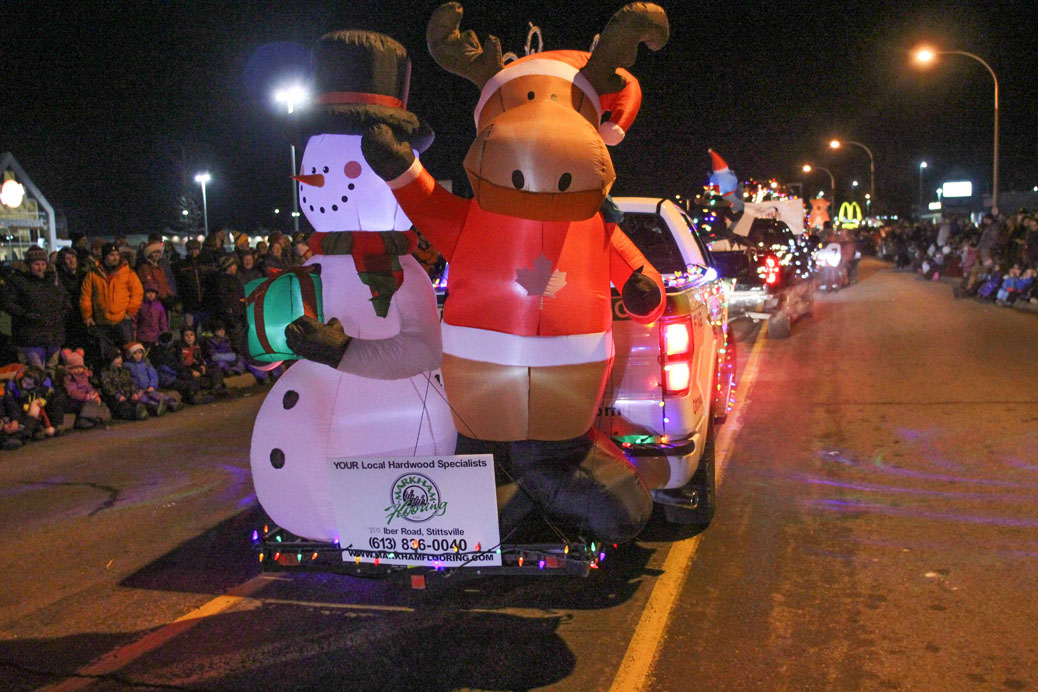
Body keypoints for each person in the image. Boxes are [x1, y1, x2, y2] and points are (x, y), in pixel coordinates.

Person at [0, 245, 69, 371]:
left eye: (43, 264)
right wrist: (25, 314)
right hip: (30, 334)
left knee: (52, 369)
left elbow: (64, 297)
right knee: (36, 371)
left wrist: (63, 310)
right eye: (36, 264)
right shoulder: (18, 281)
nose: (40, 267)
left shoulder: (52, 279)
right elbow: (7, 302)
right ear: (28, 264)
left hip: (53, 333)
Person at [80, 242, 143, 366]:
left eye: (116, 254)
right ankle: (108, 374)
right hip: (102, 321)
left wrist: (130, 312)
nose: (115, 258)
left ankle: (129, 374)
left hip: (122, 319)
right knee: (105, 353)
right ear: (104, 257)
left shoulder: (128, 273)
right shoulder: (93, 275)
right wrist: (87, 315)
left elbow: (137, 293)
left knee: (128, 351)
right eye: (111, 255)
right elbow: (85, 296)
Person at [2, 364, 64, 441]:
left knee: (38, 405)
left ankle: (36, 430)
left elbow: (49, 397)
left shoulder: (43, 389)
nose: (24, 385)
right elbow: (11, 404)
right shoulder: (13, 386)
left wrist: (40, 402)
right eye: (24, 381)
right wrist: (15, 420)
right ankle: (27, 432)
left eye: (29, 385)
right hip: (17, 413)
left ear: (36, 386)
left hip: (34, 415)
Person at [59, 348, 112, 429]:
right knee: (90, 403)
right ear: (69, 369)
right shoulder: (69, 378)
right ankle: (85, 420)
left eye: (80, 367)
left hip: (87, 398)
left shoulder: (84, 376)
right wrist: (86, 397)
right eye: (75, 368)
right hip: (76, 401)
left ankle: (93, 418)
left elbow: (89, 387)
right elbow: (72, 392)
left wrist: (94, 394)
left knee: (100, 404)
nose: (78, 370)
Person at [123, 342, 181, 414]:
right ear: (130, 354)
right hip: (137, 390)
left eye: (140, 352)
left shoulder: (146, 363)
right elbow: (127, 379)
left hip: (148, 387)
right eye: (135, 353)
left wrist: (152, 385)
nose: (138, 355)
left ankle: (172, 403)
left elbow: (153, 375)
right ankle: (155, 406)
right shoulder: (127, 366)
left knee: (157, 395)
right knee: (143, 398)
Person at [98, 351, 149, 421]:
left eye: (120, 357)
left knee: (135, 402)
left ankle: (143, 410)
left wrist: (133, 393)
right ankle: (136, 414)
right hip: (115, 399)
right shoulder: (106, 373)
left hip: (127, 396)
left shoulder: (124, 371)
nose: (120, 360)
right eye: (117, 358)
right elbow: (107, 387)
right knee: (122, 407)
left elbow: (131, 383)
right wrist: (117, 395)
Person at [175, 239, 212, 328]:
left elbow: (210, 282)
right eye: (191, 249)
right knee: (190, 328)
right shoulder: (182, 265)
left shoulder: (205, 264)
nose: (193, 252)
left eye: (195, 249)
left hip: (205, 302)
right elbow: (180, 284)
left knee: (206, 329)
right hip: (190, 303)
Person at [177, 327, 226, 395]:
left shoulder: (197, 347)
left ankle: (216, 388)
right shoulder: (181, 349)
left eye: (191, 335)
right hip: (188, 372)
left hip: (198, 369)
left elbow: (200, 359)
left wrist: (203, 366)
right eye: (186, 335)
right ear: (183, 337)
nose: (189, 337)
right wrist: (192, 371)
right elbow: (181, 365)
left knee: (216, 369)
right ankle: (208, 388)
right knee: (190, 380)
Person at [135, 283, 168, 348]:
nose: (151, 294)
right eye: (148, 292)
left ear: (156, 294)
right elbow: (136, 319)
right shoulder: (140, 306)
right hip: (142, 336)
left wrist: (164, 332)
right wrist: (135, 331)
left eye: (153, 292)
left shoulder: (159, 306)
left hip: (155, 337)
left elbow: (163, 321)